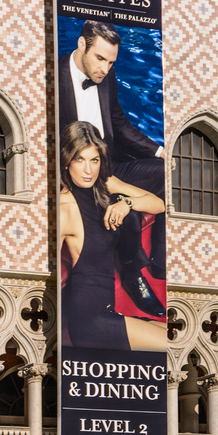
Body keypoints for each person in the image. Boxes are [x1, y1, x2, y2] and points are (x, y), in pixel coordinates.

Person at [58, 121, 167, 349]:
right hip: (90, 323)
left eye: (94, 160)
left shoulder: (106, 184)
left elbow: (158, 205)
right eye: (80, 159)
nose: (88, 170)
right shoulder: (65, 208)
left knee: (172, 333)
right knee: (177, 345)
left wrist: (127, 204)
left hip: (109, 312)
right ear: (67, 161)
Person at [57, 20, 163, 167]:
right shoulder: (54, 76)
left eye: (110, 62)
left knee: (162, 170)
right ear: (82, 44)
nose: (105, 69)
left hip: (110, 164)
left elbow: (120, 124)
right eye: (100, 58)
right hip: (76, 172)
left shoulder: (107, 75)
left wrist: (160, 151)